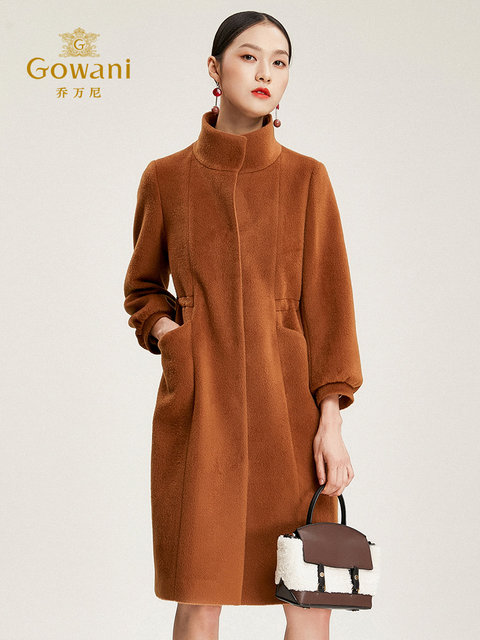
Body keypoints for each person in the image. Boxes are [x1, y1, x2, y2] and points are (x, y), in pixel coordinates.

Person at [123, 10, 363, 640]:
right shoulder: (166, 178)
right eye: (249, 56)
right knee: (198, 593)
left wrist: (331, 422)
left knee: (308, 594)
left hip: (290, 416)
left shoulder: (307, 178)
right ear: (215, 68)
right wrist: (174, 337)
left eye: (279, 62)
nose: (265, 73)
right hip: (200, 412)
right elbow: (142, 289)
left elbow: (331, 308)